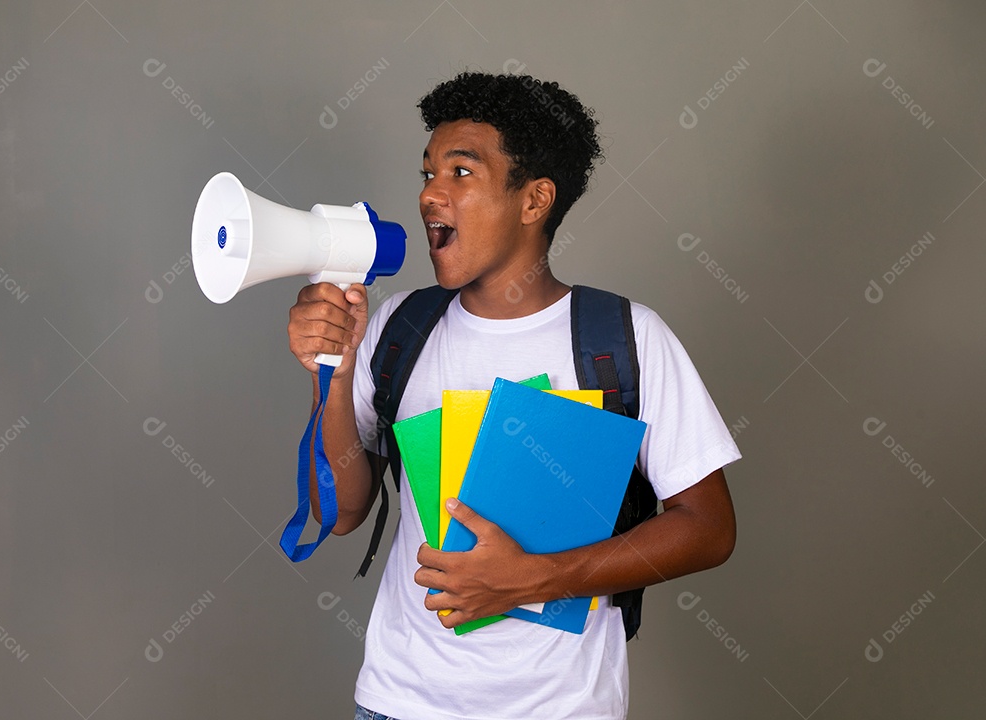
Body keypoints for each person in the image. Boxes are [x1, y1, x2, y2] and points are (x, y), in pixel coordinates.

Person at [287, 71, 740, 720]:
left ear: (534, 201)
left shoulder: (623, 340)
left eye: (461, 173)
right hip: (398, 703)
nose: (430, 195)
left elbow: (709, 529)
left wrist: (540, 577)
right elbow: (341, 511)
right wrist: (329, 370)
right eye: (426, 174)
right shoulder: (399, 328)